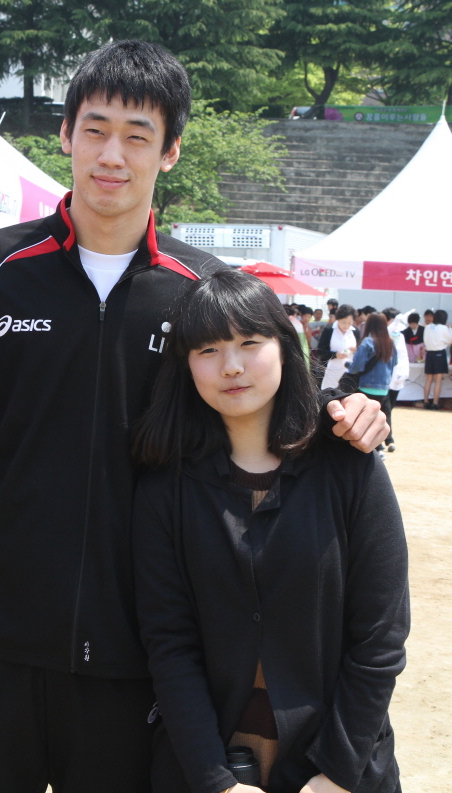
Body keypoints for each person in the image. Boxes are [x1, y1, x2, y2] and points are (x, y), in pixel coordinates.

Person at [0, 41, 389, 793]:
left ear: (171, 151)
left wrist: (349, 410)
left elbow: (274, 392)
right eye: (94, 130)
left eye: (137, 135)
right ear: (65, 134)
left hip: (144, 657)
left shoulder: (202, 289)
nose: (112, 155)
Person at [132, 268, 409, 793]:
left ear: (285, 347)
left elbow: (380, 638)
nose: (231, 366)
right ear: (185, 364)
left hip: (339, 763)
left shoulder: (348, 466)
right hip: (205, 761)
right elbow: (169, 644)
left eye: (249, 342)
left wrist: (336, 774)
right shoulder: (165, 487)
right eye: (208, 350)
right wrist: (216, 780)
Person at [380, 308, 409, 453]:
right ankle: (386, 439)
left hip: (398, 376)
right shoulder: (383, 333)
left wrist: (405, 372)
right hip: (384, 377)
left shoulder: (400, 335)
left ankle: (386, 436)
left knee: (389, 408)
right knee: (384, 409)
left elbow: (404, 354)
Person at [317, 304, 360, 389]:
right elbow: (320, 351)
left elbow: (360, 353)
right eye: (343, 322)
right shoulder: (329, 330)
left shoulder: (355, 331)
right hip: (332, 370)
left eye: (349, 323)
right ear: (338, 319)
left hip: (349, 372)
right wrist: (335, 355)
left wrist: (356, 350)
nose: (346, 325)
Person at [423, 309, 452, 410]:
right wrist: (449, 328)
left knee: (429, 379)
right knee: (438, 380)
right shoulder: (443, 328)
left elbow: (425, 340)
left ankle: (426, 401)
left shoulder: (427, 327)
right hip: (439, 353)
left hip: (429, 354)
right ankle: (435, 403)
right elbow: (450, 340)